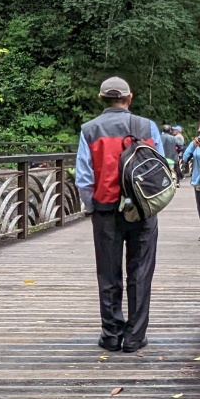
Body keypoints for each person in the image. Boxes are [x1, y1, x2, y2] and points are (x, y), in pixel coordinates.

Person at [75, 77, 165, 353]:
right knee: (140, 272)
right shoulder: (146, 126)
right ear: (129, 98)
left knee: (108, 274)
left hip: (106, 212)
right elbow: (160, 167)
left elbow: (84, 178)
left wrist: (92, 207)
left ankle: (111, 335)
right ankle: (135, 337)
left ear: (101, 99)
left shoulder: (89, 130)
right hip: (142, 210)